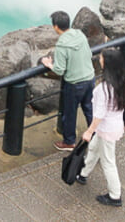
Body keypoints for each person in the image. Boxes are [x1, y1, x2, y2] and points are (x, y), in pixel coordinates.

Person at [78, 47, 125, 208]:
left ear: (107, 63)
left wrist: (89, 131)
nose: (99, 59)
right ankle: (83, 174)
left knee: (108, 162)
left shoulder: (103, 89)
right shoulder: (121, 79)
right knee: (95, 148)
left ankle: (115, 195)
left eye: (102, 58)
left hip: (106, 129)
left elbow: (99, 114)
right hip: (113, 126)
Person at [39, 10, 94, 151]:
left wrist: (48, 64)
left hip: (75, 84)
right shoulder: (80, 35)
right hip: (89, 78)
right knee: (89, 109)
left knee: (70, 113)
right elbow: (89, 53)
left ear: (56, 26)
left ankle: (69, 142)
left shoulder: (62, 45)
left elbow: (59, 70)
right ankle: (96, 135)